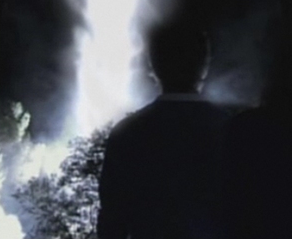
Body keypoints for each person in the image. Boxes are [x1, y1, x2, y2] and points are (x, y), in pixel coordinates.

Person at [97, 20, 231, 238]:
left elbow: (112, 222)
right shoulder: (232, 131)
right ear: (204, 65)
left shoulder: (127, 134)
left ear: (153, 66)